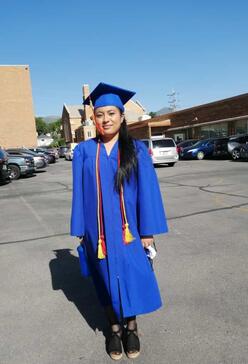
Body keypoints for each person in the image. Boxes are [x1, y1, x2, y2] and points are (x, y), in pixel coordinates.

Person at [70, 82, 168, 360]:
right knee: (104, 279)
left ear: (122, 116)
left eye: (111, 113)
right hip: (97, 231)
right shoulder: (84, 152)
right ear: (94, 118)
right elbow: (79, 193)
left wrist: (147, 231)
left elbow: (148, 193)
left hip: (129, 231)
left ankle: (132, 327)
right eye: (100, 114)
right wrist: (80, 229)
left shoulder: (135, 149)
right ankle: (114, 329)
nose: (106, 119)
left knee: (131, 277)